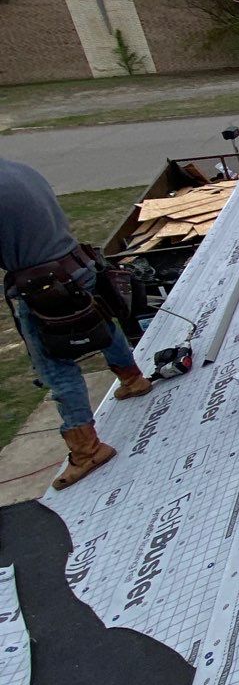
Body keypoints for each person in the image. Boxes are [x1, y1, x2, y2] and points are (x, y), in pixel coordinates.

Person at [0, 155, 150, 488]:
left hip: (45, 286)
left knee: (56, 366)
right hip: (77, 265)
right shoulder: (18, 169)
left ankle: (87, 451)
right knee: (102, 323)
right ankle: (133, 379)